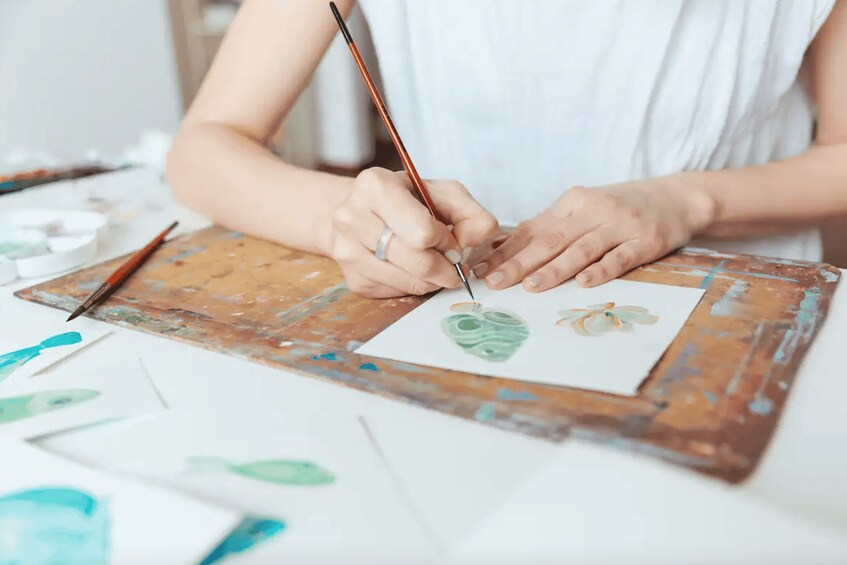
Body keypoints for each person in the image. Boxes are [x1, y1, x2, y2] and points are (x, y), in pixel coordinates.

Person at [167, 0, 847, 298]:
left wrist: (685, 201)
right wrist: (341, 217)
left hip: (730, 325)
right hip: (467, 310)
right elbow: (204, 150)